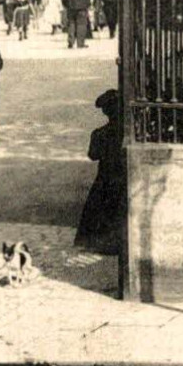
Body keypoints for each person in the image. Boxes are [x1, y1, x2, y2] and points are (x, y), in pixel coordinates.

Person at [74, 89, 126, 254]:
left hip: (105, 175)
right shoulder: (127, 132)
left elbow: (92, 155)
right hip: (122, 174)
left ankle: (98, 243)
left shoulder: (99, 133)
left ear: (105, 112)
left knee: (100, 207)